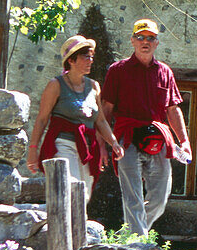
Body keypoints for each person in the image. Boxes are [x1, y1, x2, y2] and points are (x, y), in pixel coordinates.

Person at [101, 19, 192, 235]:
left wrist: (185, 141)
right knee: (133, 198)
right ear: (132, 40)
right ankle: (137, 246)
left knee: (160, 198)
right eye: (140, 37)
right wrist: (102, 144)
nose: (145, 42)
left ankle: (130, 235)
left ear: (157, 43)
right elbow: (106, 110)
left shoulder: (165, 72)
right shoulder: (118, 70)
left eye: (150, 38)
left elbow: (173, 110)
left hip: (159, 140)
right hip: (127, 139)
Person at [26, 35, 124, 200]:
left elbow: (99, 120)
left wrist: (113, 142)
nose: (91, 60)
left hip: (87, 148)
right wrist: (33, 150)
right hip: (63, 145)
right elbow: (42, 119)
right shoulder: (55, 85)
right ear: (71, 60)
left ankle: (77, 226)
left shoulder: (93, 86)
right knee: (71, 189)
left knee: (85, 194)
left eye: (92, 57)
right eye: (86, 56)